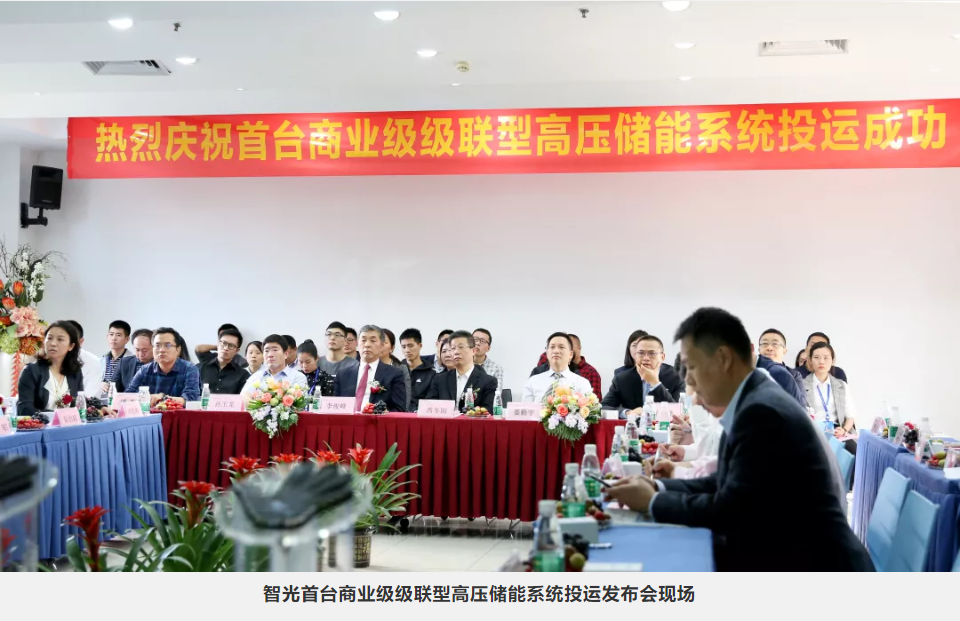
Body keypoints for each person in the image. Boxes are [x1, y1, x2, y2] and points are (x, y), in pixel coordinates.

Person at [605, 307, 873, 572]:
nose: (694, 395)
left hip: (812, 562)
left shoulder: (761, 412)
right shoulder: (753, 396)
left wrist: (653, 502)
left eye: (694, 376)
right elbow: (725, 480)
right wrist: (659, 487)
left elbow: (730, 510)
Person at [602, 335, 686, 416]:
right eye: (641, 353)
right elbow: (603, 407)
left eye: (652, 353)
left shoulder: (676, 377)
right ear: (635, 356)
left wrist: (655, 383)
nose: (646, 358)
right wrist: (627, 413)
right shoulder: (622, 379)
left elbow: (678, 412)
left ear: (662, 357)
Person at [17, 321, 85, 418]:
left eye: (60, 339)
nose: (53, 343)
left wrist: (100, 407)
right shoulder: (31, 371)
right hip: (40, 426)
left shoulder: (75, 372)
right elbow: (25, 409)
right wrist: (56, 415)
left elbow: (80, 403)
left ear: (71, 346)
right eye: (49, 338)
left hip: (70, 425)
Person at [333, 325, 406, 412]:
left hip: (376, 419)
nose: (367, 345)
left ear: (381, 346)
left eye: (373, 341)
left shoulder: (394, 374)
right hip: (348, 419)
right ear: (357, 343)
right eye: (363, 340)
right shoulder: (343, 374)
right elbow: (335, 406)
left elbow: (399, 408)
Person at [124, 327, 201, 406]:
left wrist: (162, 397)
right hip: (150, 413)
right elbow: (128, 395)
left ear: (177, 349)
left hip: (178, 413)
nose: (161, 350)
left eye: (168, 345)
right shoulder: (145, 370)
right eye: (157, 345)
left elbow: (190, 399)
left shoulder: (189, 369)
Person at [426, 330, 497, 411]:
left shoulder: (488, 381)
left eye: (461, 347)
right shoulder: (439, 379)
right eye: (453, 348)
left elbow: (488, 410)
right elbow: (429, 406)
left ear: (473, 351)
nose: (456, 352)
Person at [804, 342, 858, 445]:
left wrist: (844, 430)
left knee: (853, 449)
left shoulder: (841, 386)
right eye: (816, 357)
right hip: (813, 431)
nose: (821, 362)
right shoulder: (802, 385)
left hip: (837, 431)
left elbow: (850, 416)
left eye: (826, 358)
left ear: (833, 361)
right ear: (810, 360)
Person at [523, 332, 593, 404]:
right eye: (552, 347)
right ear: (547, 353)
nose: (556, 351)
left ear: (571, 354)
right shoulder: (533, 381)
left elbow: (588, 409)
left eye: (561, 347)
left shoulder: (582, 383)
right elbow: (525, 409)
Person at [241, 334, 309, 401]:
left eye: (275, 350)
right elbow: (244, 397)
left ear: (286, 354)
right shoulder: (256, 376)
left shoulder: (298, 377)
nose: (270, 355)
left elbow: (300, 402)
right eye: (266, 351)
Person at [196, 327, 250, 395]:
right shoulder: (199, 368)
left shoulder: (243, 375)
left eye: (231, 346)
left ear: (237, 351)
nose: (226, 348)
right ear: (218, 344)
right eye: (223, 343)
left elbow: (242, 398)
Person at [758, 328, 805, 395]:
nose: (769, 348)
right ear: (759, 350)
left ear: (784, 351)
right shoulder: (750, 372)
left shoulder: (794, 375)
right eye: (764, 343)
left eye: (775, 344)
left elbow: (800, 401)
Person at [399, 328, 435, 412]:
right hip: (398, 413)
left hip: (419, 415)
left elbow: (430, 401)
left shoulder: (432, 374)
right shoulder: (396, 370)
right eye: (403, 347)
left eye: (410, 346)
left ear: (420, 346)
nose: (407, 350)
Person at [66, 320, 103, 399]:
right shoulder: (47, 360)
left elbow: (89, 397)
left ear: (81, 341)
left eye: (71, 340)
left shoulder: (93, 362)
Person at [381, 329, 412, 411]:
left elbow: (406, 399)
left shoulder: (401, 369)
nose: (380, 345)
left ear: (392, 348)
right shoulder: (367, 367)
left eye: (384, 342)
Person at [115, 328, 153, 393]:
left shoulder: (162, 364)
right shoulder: (124, 363)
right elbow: (114, 389)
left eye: (145, 350)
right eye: (137, 350)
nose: (141, 354)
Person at [99, 320, 131, 394]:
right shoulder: (101, 360)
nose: (113, 338)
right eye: (111, 334)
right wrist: (99, 384)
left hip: (122, 398)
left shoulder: (131, 360)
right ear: (107, 336)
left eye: (118, 335)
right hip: (101, 399)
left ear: (127, 339)